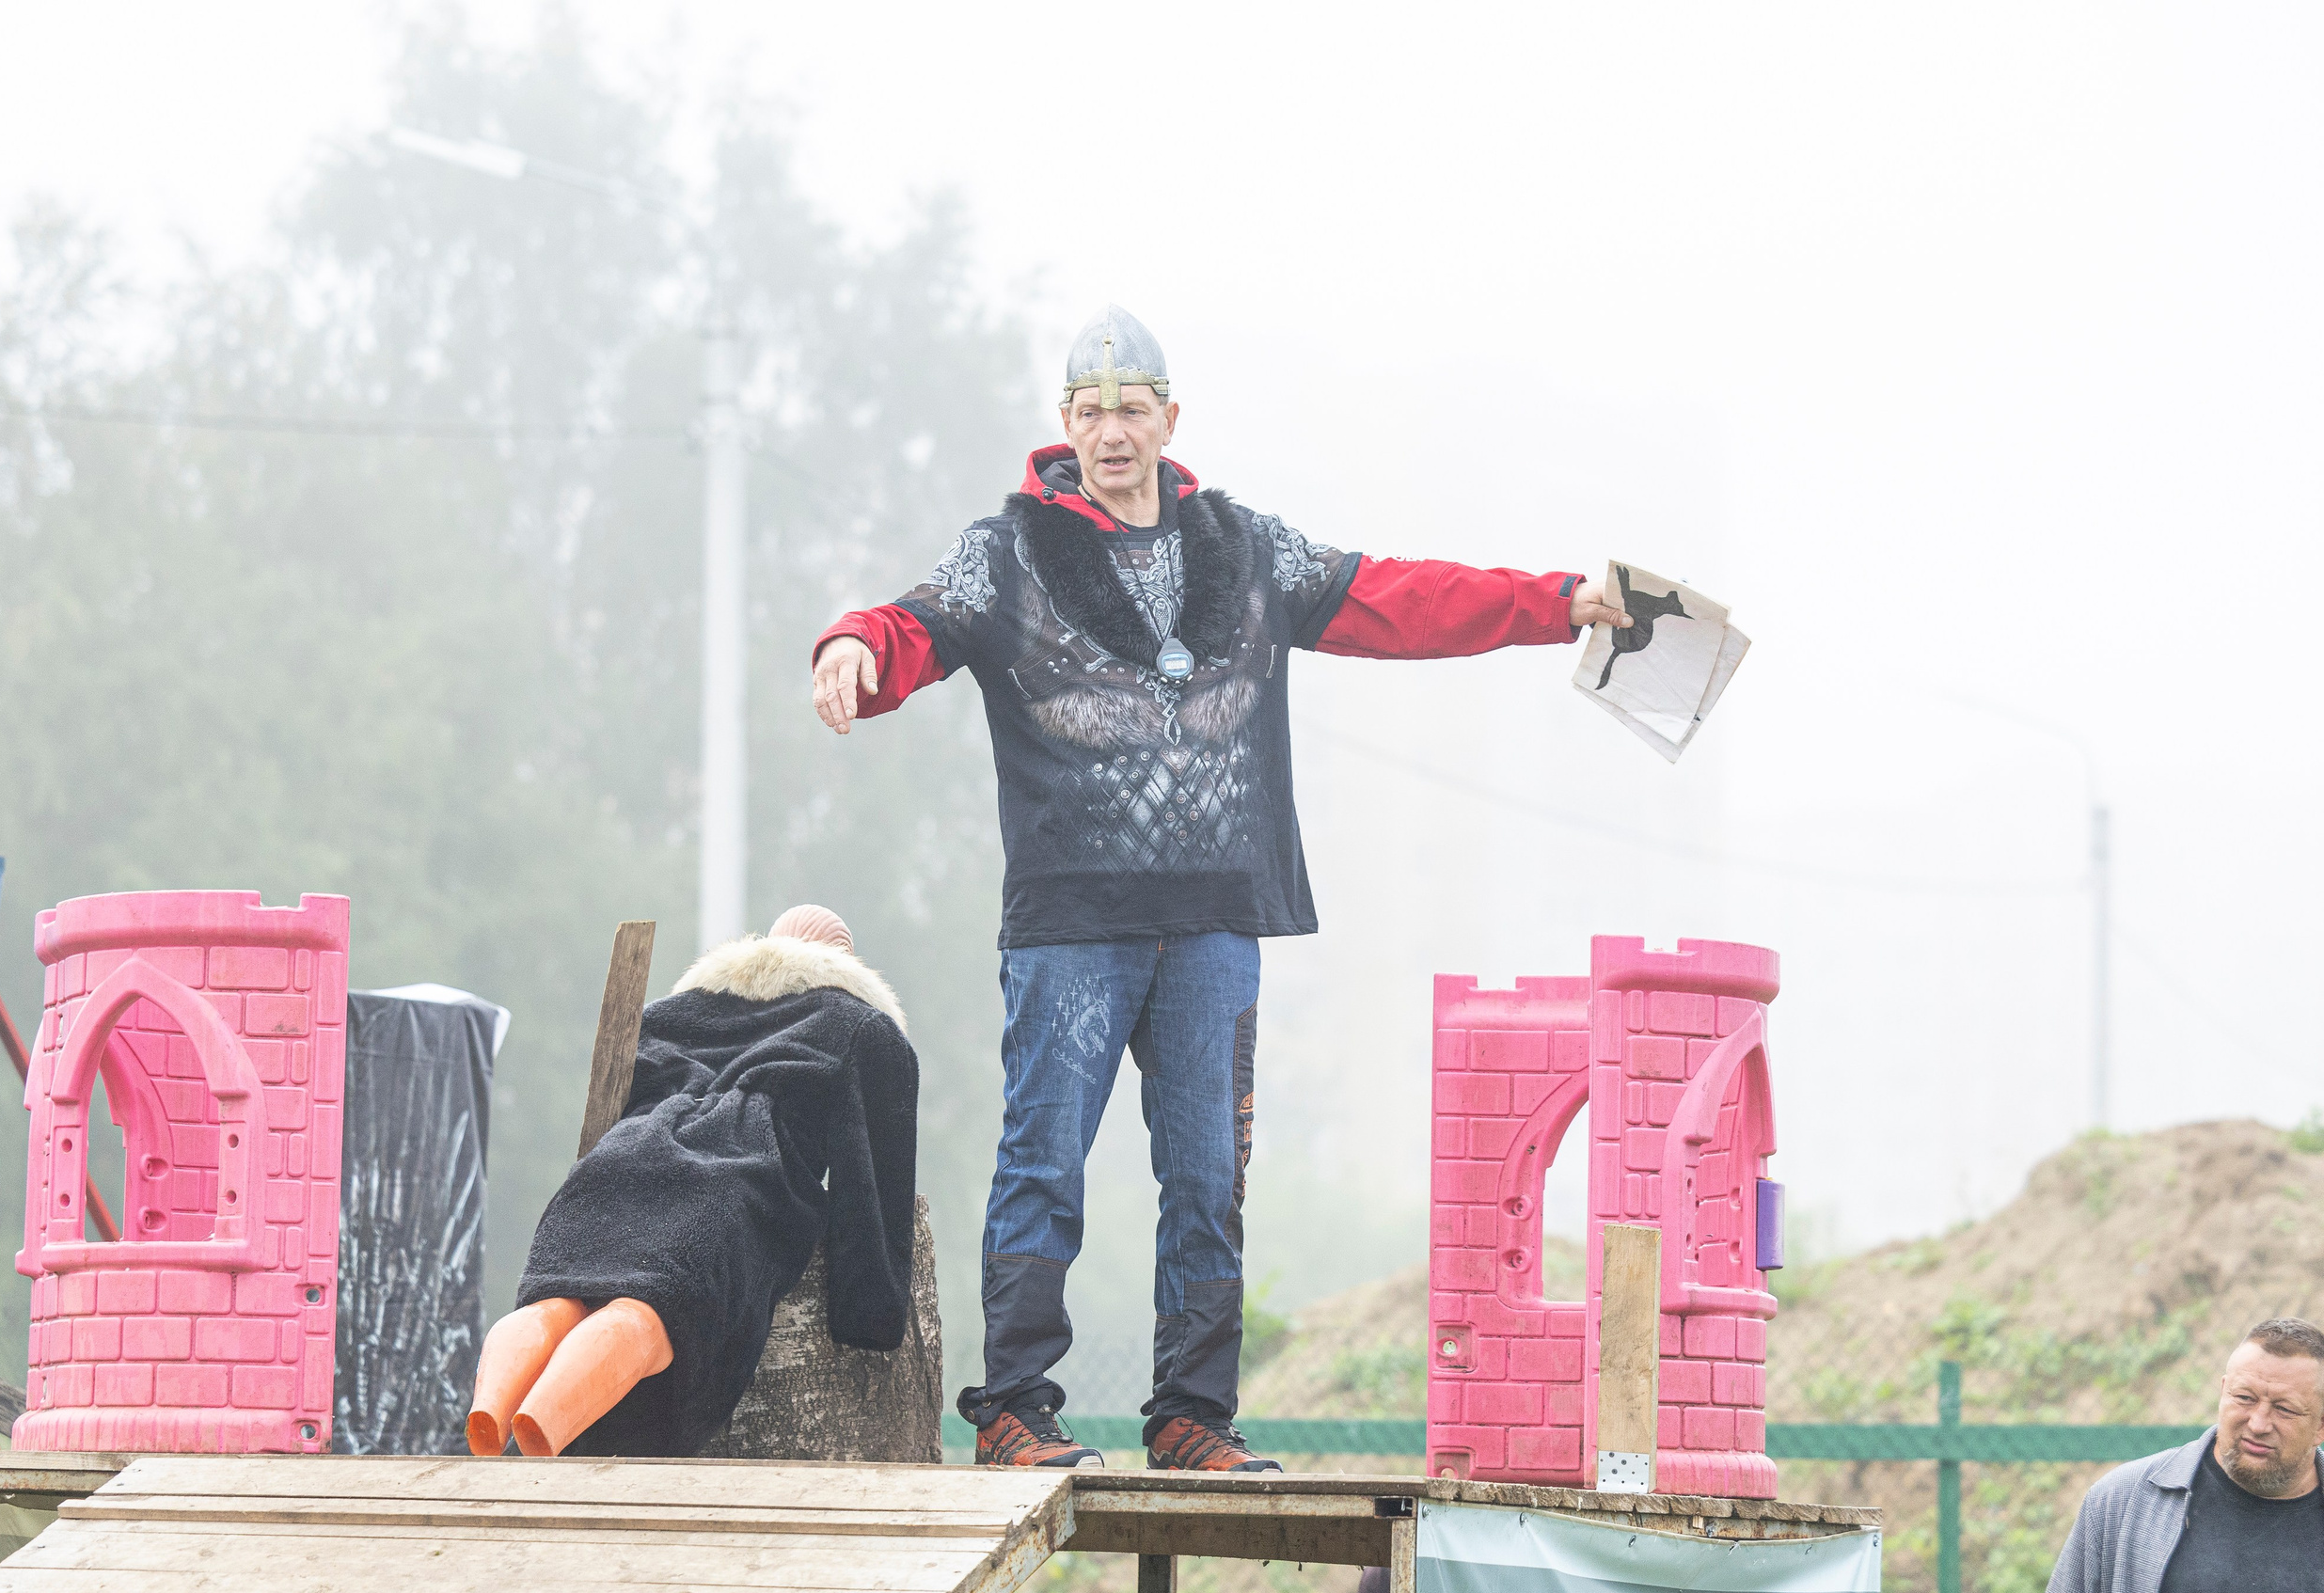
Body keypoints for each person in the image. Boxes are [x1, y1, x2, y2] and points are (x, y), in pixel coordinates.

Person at [809, 306, 1631, 1472]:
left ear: (1169, 420)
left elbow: (1396, 597)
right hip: (1071, 924)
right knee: (1043, 1163)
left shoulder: (1245, 551)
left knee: (1207, 1177)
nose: (1111, 431)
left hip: (1212, 925)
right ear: (1064, 424)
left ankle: (1193, 1415)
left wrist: (1555, 601)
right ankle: (1014, 1411)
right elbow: (914, 624)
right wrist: (851, 644)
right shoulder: (1007, 552)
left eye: (1131, 409)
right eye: (1090, 411)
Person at [467, 905, 918, 1458]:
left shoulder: (668, 1012)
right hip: (730, 1179)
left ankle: (488, 1427)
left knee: (558, 1300)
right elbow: (872, 1181)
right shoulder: (862, 1025)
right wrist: (869, 1314)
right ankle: (542, 1439)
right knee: (650, 1313)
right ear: (843, 958)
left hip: (617, 1161)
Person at [2042, 1317, 2324, 1593]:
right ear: (2223, 1392)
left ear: (2321, 1425)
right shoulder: (2120, 1502)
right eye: (2244, 1397)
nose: (2258, 1423)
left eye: (2284, 1409)